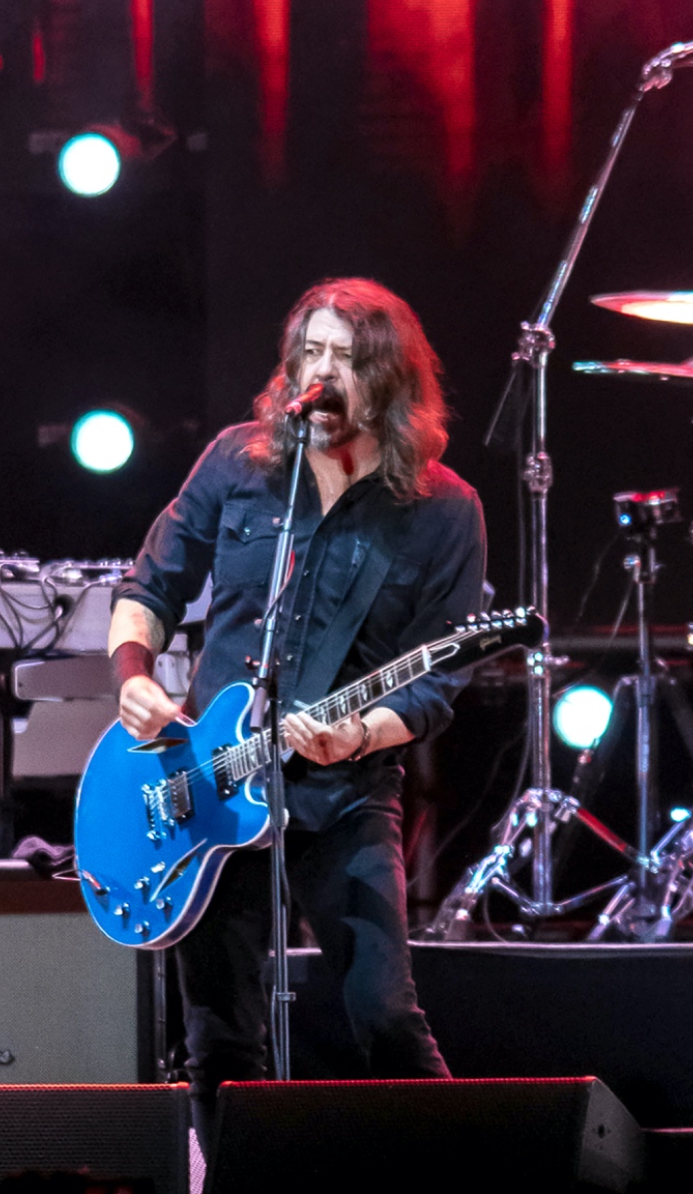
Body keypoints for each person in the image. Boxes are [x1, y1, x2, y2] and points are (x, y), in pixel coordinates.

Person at [109, 278, 487, 1133]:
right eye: (310, 354)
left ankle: (464, 1170)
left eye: (347, 360)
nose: (322, 375)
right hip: (209, 781)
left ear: (389, 379)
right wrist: (134, 672)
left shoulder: (443, 511)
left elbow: (436, 685)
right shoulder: (239, 464)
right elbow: (150, 583)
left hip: (344, 792)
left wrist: (359, 733)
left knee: (385, 1016)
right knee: (220, 1037)